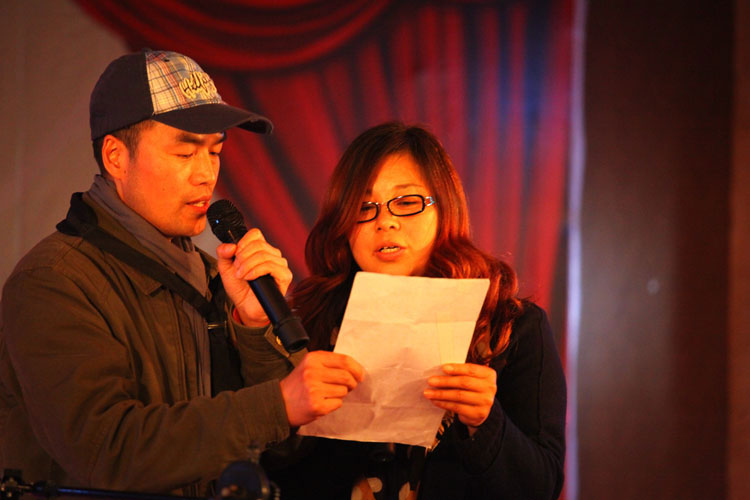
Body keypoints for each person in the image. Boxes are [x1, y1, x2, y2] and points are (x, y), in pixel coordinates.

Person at [0, 49, 363, 496]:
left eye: (216, 151)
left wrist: (254, 328)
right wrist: (277, 404)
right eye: (185, 152)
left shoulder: (214, 276)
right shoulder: (53, 281)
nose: (206, 175)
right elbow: (107, 449)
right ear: (116, 157)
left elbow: (279, 452)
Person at [265, 122, 567, 499]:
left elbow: (542, 486)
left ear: (445, 208)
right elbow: (274, 479)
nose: (385, 221)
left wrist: (485, 422)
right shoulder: (308, 327)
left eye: (407, 202)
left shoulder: (510, 327)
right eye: (363, 207)